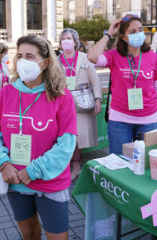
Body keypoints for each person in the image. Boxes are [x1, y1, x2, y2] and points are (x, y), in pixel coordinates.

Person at [0, 34, 77, 240]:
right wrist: (3, 163)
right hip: (14, 177)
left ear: (45, 63)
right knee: (29, 235)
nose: (23, 61)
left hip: (48, 179)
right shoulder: (6, 93)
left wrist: (35, 170)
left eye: (30, 56)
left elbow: (67, 143)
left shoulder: (61, 96)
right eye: (19, 56)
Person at [88, 15, 157, 155]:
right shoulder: (114, 56)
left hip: (149, 121)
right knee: (120, 162)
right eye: (133, 32)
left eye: (140, 30)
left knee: (146, 163)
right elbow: (92, 57)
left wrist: (154, 111)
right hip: (120, 121)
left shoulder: (153, 57)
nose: (138, 34)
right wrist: (109, 33)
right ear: (123, 37)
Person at [58, 28, 102, 180]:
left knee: (79, 135)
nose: (66, 41)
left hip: (82, 102)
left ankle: (76, 166)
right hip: (63, 103)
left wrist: (98, 98)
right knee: (66, 135)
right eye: (63, 38)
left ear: (75, 41)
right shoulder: (57, 60)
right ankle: (66, 165)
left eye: (69, 38)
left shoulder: (84, 58)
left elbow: (94, 79)